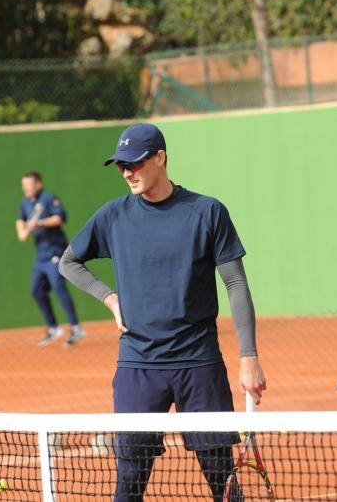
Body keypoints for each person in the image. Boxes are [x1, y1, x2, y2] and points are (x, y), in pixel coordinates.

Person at [59, 123, 267, 501]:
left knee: (223, 480)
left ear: (160, 158)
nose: (127, 173)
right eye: (121, 166)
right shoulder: (113, 216)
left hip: (199, 365)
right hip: (137, 366)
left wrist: (248, 356)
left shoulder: (207, 212)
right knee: (129, 484)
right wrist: (109, 297)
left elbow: (236, 284)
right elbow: (69, 262)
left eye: (135, 163)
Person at [16, 171, 84, 346]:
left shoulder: (49, 198)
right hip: (40, 257)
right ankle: (53, 328)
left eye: (29, 185)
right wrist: (25, 229)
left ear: (38, 184)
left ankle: (76, 328)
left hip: (56, 253)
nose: (26, 188)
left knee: (59, 288)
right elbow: (21, 228)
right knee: (36, 290)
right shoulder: (25, 203)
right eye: (24, 185)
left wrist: (39, 223)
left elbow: (60, 218)